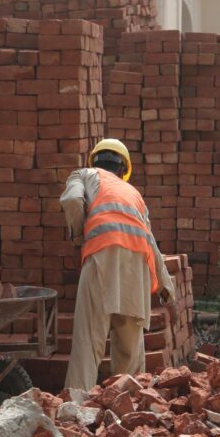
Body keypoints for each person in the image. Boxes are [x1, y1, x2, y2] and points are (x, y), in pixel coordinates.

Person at [60, 138, 176, 391]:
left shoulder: (84, 174)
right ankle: (130, 410)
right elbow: (152, 245)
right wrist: (168, 291)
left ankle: (76, 412)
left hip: (102, 259)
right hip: (137, 271)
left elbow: (71, 200)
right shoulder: (134, 195)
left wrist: (79, 236)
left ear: (95, 161)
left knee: (88, 345)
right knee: (130, 351)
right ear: (123, 169)